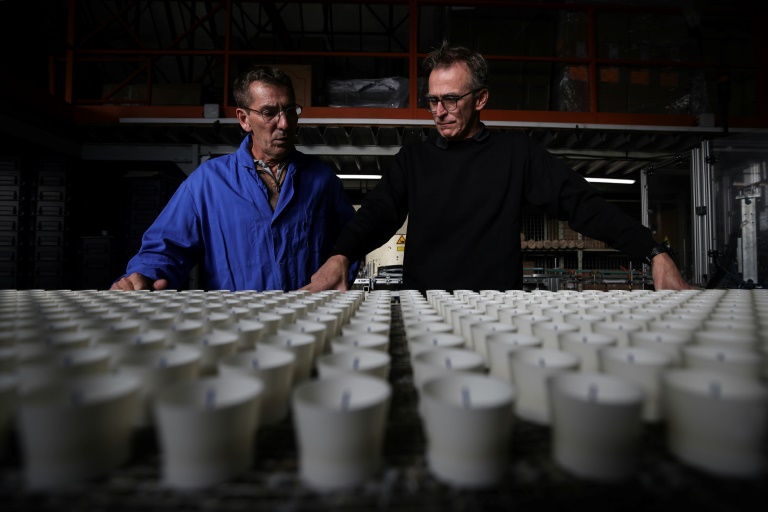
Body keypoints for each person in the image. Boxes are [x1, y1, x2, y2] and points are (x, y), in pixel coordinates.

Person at [302, 42, 693, 293]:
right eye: (432, 101)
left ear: (481, 98)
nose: (439, 112)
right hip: (424, 311)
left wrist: (654, 252)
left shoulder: (516, 154)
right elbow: (376, 215)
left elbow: (583, 205)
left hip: (498, 312)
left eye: (451, 99)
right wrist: (341, 255)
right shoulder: (414, 161)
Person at [111, 65, 358, 292]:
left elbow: (352, 243)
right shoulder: (208, 183)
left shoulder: (322, 180)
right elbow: (166, 247)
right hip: (234, 326)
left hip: (308, 320)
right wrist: (143, 275)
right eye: (270, 113)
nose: (284, 123)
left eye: (290, 110)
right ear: (244, 119)